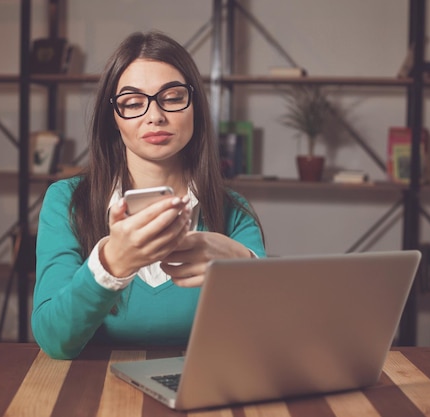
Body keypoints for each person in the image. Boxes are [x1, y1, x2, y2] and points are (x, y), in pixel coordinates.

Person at [32, 31, 266, 360]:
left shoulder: (233, 211)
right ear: (112, 118)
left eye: (171, 97)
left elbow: (268, 337)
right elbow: (54, 341)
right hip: (94, 395)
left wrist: (244, 268)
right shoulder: (67, 201)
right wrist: (111, 263)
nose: (154, 116)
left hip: (201, 392)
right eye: (132, 102)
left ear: (195, 107)